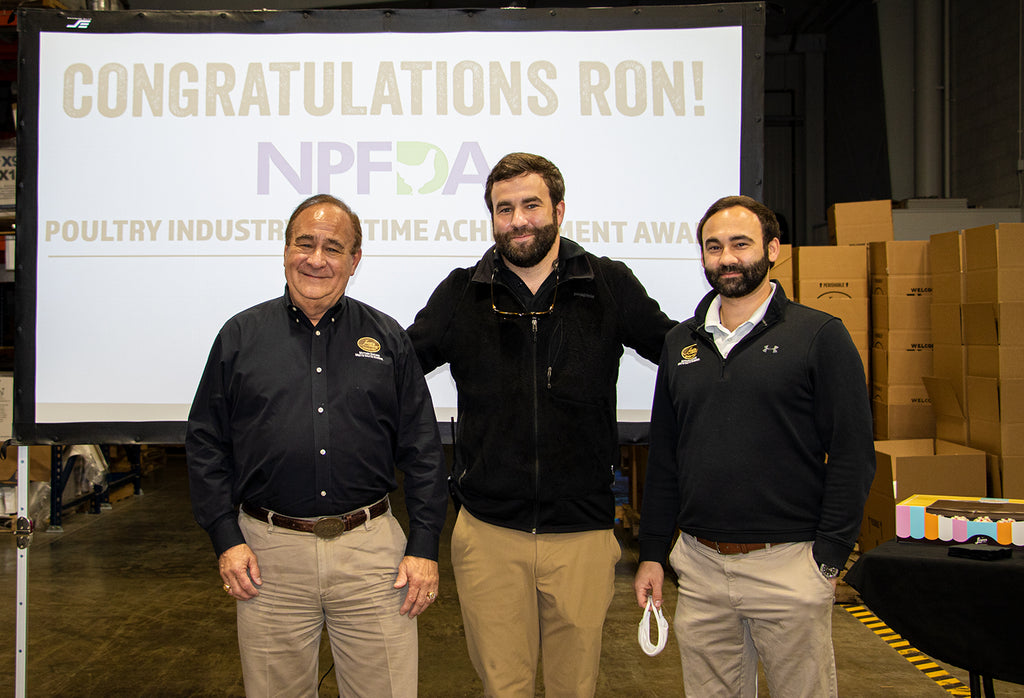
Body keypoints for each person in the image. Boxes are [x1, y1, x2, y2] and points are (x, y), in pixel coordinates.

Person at [408, 152, 675, 697]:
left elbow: (677, 351)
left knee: (574, 689)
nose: (518, 220)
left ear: (559, 208)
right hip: (488, 534)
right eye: (504, 209)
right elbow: (396, 370)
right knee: (503, 689)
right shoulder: (463, 292)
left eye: (531, 204)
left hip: (582, 532)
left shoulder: (607, 283)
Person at [186, 194, 448, 697]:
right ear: (285, 250)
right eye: (304, 243)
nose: (316, 258)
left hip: (373, 559)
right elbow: (205, 443)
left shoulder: (387, 338)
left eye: (333, 247)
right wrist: (225, 537)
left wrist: (423, 544)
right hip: (266, 556)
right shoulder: (240, 336)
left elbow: (421, 447)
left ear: (354, 261)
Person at [633, 195, 875, 697]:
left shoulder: (819, 336)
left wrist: (828, 558)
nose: (726, 259)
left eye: (740, 244)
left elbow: (853, 453)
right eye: (713, 247)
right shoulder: (681, 344)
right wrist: (653, 553)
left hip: (788, 564)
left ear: (773, 249)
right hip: (699, 568)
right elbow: (665, 461)